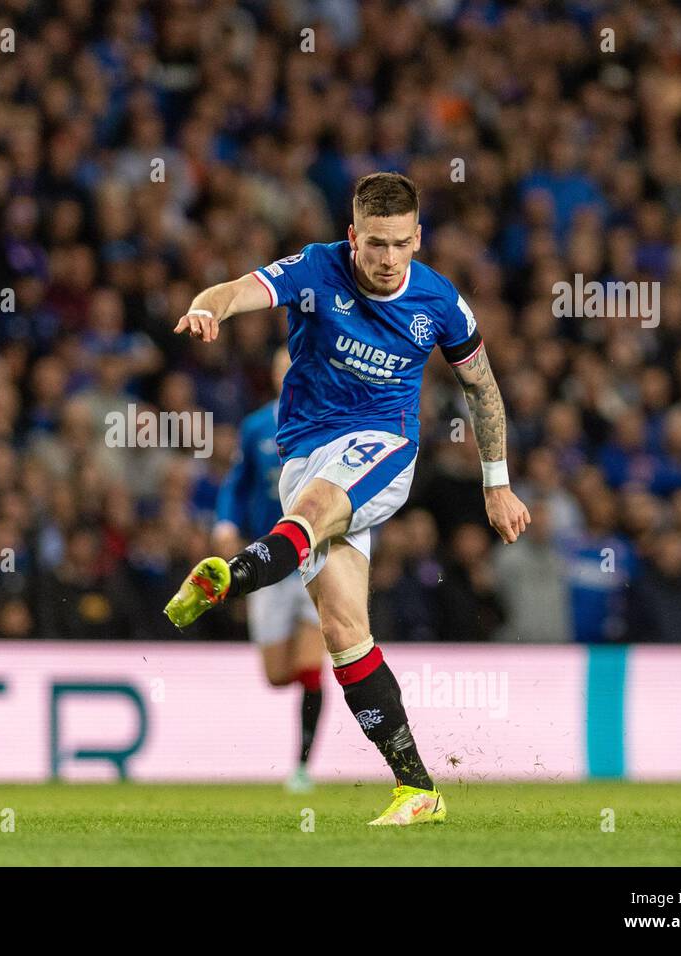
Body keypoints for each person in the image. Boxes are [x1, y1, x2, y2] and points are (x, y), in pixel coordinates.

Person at [165, 172, 531, 826]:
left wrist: (497, 483)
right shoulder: (314, 269)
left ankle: (233, 575)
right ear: (352, 238)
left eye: (401, 244)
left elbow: (482, 388)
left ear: (418, 237)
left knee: (309, 514)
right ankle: (418, 788)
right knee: (342, 632)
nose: (389, 260)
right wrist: (205, 307)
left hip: (383, 448)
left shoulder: (440, 302)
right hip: (304, 454)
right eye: (375, 246)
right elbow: (239, 291)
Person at [212, 347, 325, 793]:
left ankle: (302, 767)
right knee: (278, 675)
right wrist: (225, 524)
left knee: (311, 665)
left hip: (318, 556)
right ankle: (306, 667)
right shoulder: (257, 425)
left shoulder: (333, 420)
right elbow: (236, 483)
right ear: (278, 374)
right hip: (267, 559)